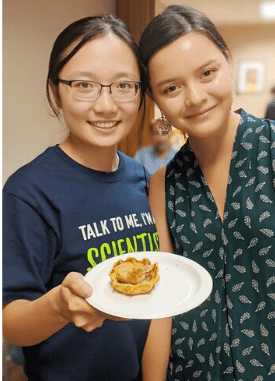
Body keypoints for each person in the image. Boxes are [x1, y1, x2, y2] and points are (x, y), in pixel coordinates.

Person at [2, 15, 171, 381]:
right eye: (84, 85)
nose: (106, 105)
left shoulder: (146, 180)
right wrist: (59, 306)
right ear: (54, 91)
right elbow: (10, 322)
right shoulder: (29, 191)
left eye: (123, 85)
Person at [139, 4, 275, 380]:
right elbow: (164, 303)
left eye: (207, 73)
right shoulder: (163, 182)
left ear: (228, 61)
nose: (194, 97)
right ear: (156, 100)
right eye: (171, 88)